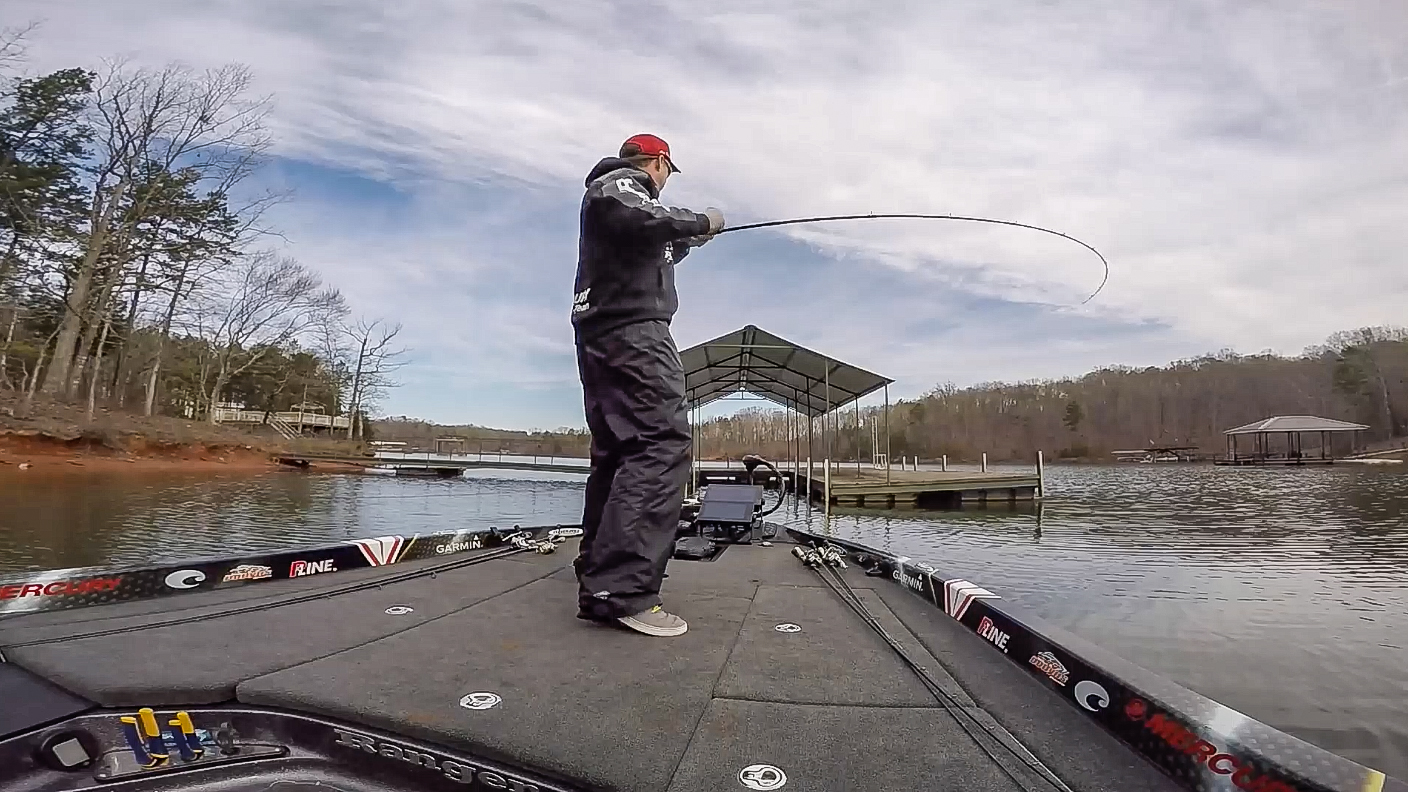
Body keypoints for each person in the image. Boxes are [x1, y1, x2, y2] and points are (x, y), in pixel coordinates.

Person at [569, 133, 725, 637]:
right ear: (659, 163)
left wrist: (683, 242)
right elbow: (637, 213)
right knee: (660, 443)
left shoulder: (616, 207)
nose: (661, 180)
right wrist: (703, 221)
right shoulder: (620, 183)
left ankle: (599, 572)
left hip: (605, 333)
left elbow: (644, 240)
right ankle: (623, 591)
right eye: (664, 171)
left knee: (618, 450)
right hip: (634, 332)